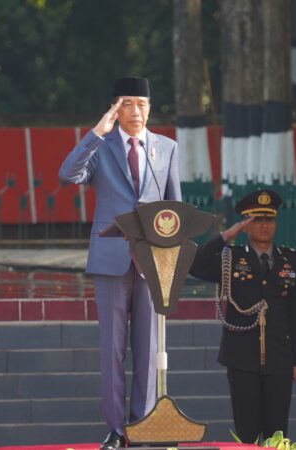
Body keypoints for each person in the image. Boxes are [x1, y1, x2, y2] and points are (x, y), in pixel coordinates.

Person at [58, 77, 181, 450]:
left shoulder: (166, 148)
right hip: (110, 260)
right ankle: (116, 429)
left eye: (143, 104)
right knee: (113, 350)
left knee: (147, 352)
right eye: (128, 104)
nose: (137, 112)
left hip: (151, 261)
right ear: (115, 108)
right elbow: (68, 174)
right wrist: (98, 131)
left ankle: (141, 425)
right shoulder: (102, 146)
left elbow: (174, 208)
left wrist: (171, 260)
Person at [189, 189, 296, 443]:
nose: (264, 226)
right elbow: (195, 265)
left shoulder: (292, 261)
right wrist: (224, 236)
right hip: (242, 357)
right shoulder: (231, 258)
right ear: (245, 225)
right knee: (247, 432)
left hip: (279, 357)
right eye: (257, 220)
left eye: (269, 220)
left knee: (277, 432)